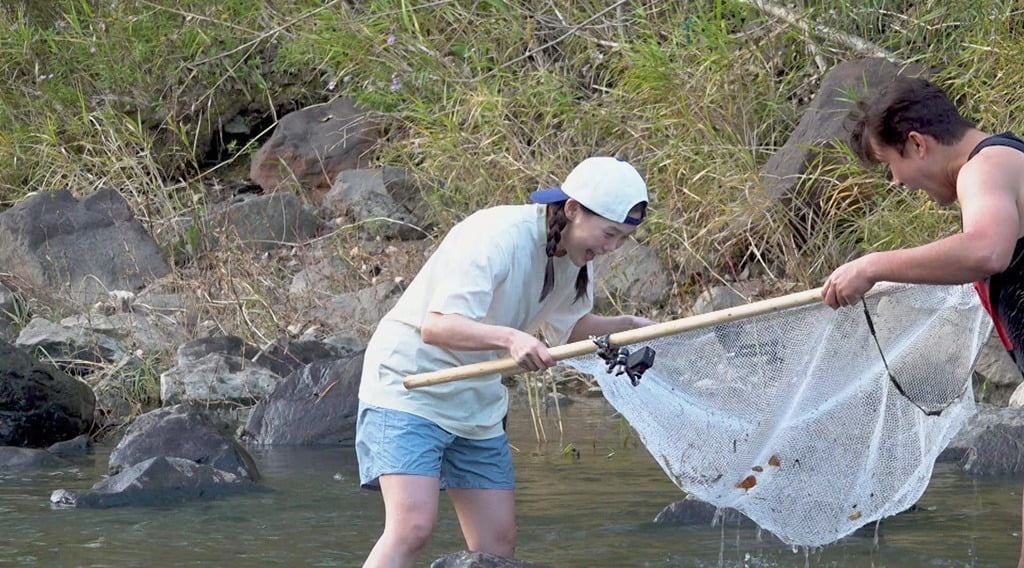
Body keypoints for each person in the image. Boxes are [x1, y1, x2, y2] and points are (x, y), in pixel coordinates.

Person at [355, 156, 655, 567]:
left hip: (476, 402)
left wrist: (627, 326)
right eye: (609, 234)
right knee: (412, 527)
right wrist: (511, 337)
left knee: (497, 544)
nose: (610, 248)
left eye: (622, 239)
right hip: (409, 385)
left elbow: (571, 329)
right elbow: (437, 326)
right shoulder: (498, 235)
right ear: (572, 210)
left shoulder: (574, 258)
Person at [819, 76, 1024, 567]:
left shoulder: (988, 166)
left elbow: (986, 249)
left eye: (891, 165)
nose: (896, 182)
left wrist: (871, 265)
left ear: (917, 143)